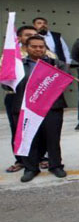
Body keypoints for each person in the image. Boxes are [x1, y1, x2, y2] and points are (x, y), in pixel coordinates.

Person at [12, 35, 68, 182]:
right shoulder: (18, 65)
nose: (38, 49)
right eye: (34, 46)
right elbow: (8, 85)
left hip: (51, 107)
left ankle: (56, 165)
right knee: (30, 139)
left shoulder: (55, 64)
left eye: (41, 47)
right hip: (28, 108)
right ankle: (31, 168)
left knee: (53, 138)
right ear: (26, 48)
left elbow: (64, 80)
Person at [3, 25, 37, 173]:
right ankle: (21, 160)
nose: (31, 37)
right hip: (16, 98)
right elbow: (5, 81)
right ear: (19, 38)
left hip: (38, 98)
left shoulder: (47, 53)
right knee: (18, 130)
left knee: (39, 130)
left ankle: (42, 158)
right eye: (28, 35)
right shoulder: (11, 55)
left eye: (34, 35)